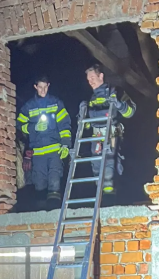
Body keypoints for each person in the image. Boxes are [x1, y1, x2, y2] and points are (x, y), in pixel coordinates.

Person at [17, 76, 73, 209]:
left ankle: (54, 214)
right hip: (38, 154)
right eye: (40, 87)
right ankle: (41, 216)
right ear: (35, 87)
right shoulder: (29, 107)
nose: (43, 90)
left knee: (54, 182)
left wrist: (66, 145)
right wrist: (33, 127)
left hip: (55, 152)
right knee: (39, 185)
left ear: (49, 85)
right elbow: (19, 124)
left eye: (45, 87)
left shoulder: (56, 104)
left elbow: (65, 126)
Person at [83, 64, 136, 196]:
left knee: (111, 166)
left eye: (93, 77)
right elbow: (88, 126)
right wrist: (82, 115)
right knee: (96, 166)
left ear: (101, 76)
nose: (91, 81)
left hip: (113, 136)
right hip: (97, 139)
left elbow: (130, 112)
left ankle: (112, 196)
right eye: (88, 79)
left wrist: (119, 104)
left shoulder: (116, 91)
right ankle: (100, 196)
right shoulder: (92, 99)